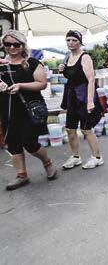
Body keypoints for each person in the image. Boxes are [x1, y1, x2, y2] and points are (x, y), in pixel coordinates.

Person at [0, 30, 57, 190]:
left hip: (29, 107)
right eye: (8, 44)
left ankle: (47, 163)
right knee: (13, 144)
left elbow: (42, 83)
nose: (12, 47)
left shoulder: (32, 62)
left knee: (30, 142)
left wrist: (20, 86)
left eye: (16, 44)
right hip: (8, 108)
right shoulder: (1, 64)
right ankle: (21, 175)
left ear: (22, 44)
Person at [60, 30, 104, 170]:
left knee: (86, 128)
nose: (71, 43)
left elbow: (91, 80)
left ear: (80, 41)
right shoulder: (67, 57)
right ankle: (75, 157)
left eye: (74, 40)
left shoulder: (84, 57)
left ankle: (97, 157)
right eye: (68, 40)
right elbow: (72, 76)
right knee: (70, 129)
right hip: (72, 95)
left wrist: (90, 101)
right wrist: (63, 70)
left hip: (84, 95)